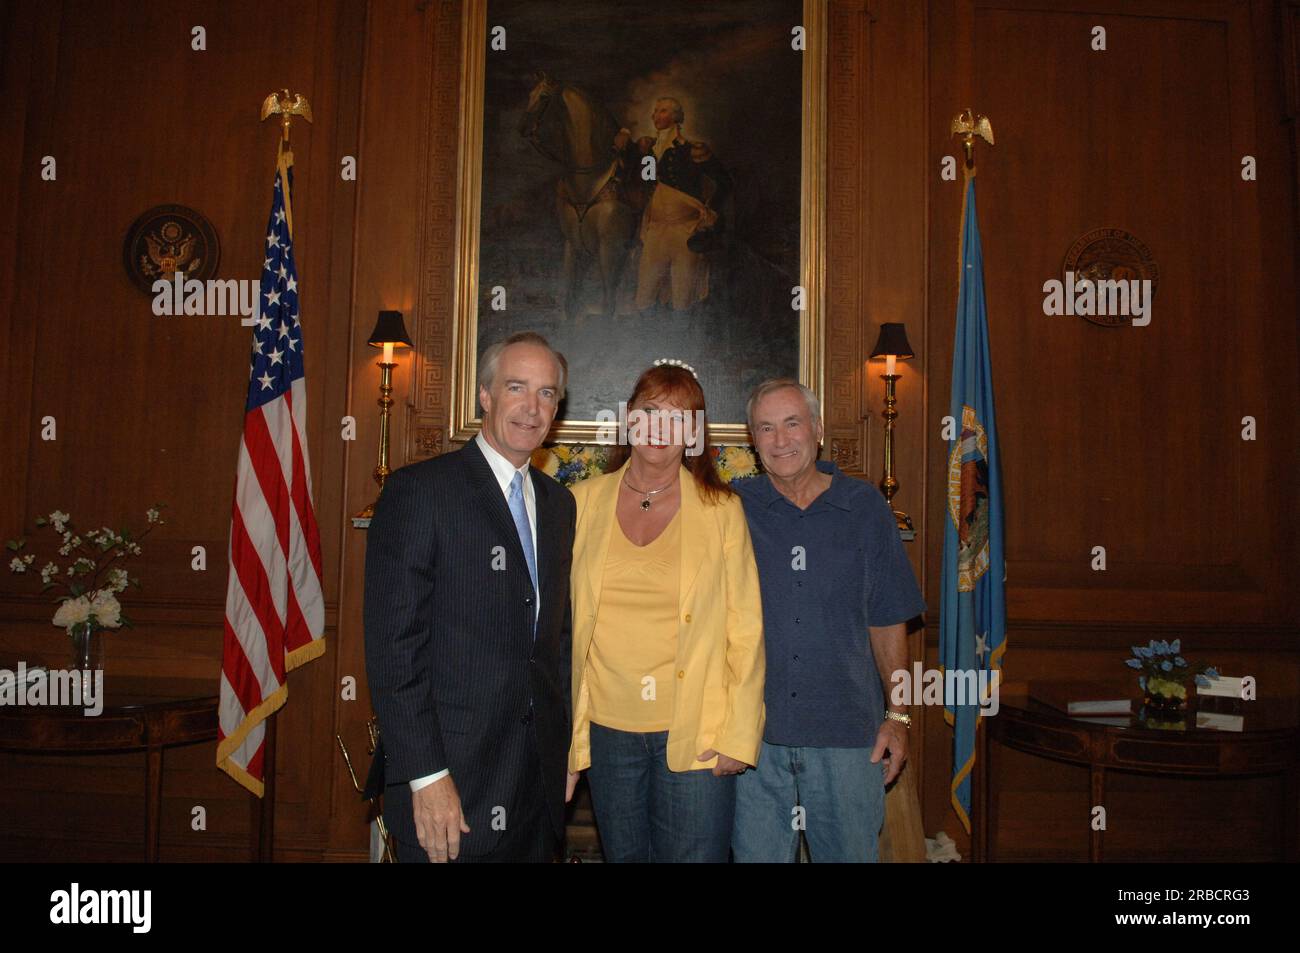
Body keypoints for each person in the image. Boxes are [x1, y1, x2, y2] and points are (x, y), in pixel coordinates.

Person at [364, 331, 576, 863]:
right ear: (485, 396)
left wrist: (565, 749)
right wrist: (426, 776)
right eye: (517, 388)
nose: (533, 408)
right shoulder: (422, 491)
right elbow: (394, 647)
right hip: (449, 785)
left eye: (547, 393)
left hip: (535, 789)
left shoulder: (559, 504)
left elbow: (556, 641)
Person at [564, 361, 764, 861]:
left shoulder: (722, 511)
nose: (659, 428)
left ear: (694, 434)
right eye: (650, 411)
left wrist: (739, 734)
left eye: (678, 418)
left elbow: (747, 629)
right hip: (608, 731)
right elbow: (559, 627)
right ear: (628, 418)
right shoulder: (579, 503)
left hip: (698, 728)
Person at [730, 379, 926, 862]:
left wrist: (898, 717)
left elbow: (887, 621)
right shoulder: (731, 509)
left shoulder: (865, 510)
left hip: (848, 740)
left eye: (792, 424)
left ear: (817, 430)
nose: (780, 440)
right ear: (752, 441)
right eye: (766, 428)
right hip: (752, 741)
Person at [614, 98, 731, 313]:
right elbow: (648, 182)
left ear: (676, 116)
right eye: (655, 111)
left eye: (663, 111)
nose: (656, 116)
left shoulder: (692, 150)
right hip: (656, 230)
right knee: (645, 296)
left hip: (684, 230)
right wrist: (628, 143)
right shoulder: (651, 151)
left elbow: (724, 182)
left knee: (682, 297)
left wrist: (709, 213)